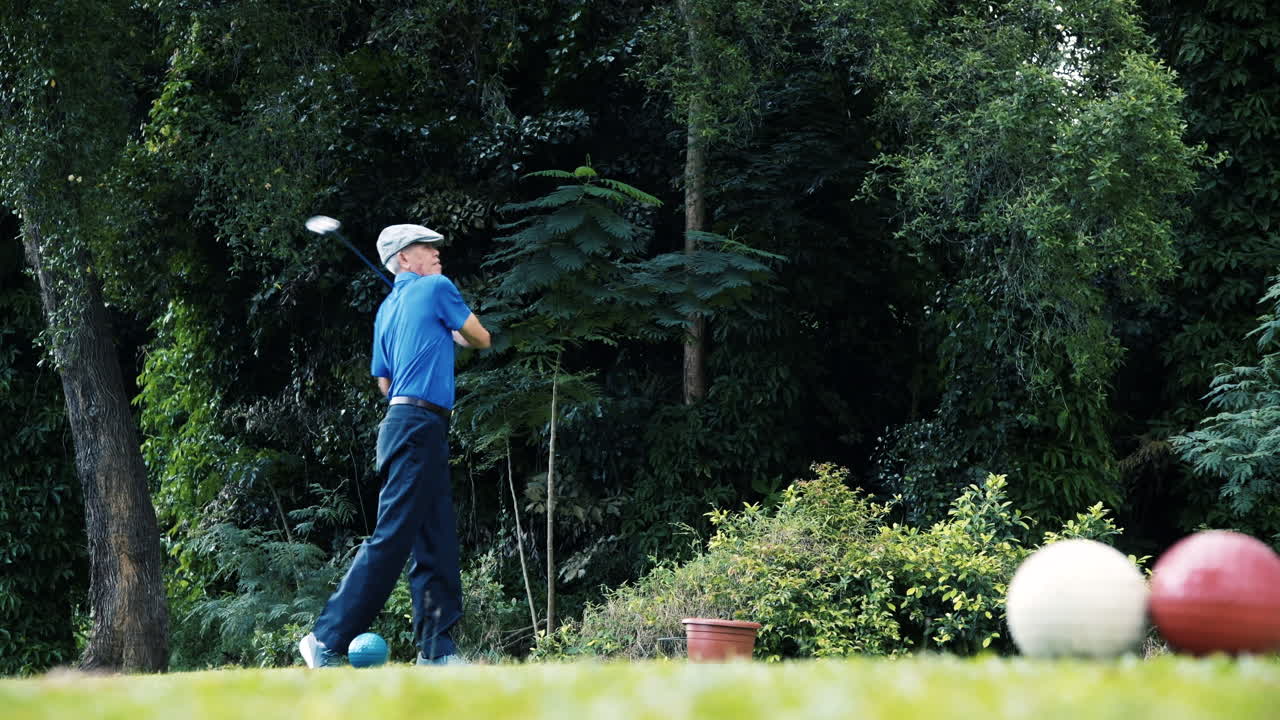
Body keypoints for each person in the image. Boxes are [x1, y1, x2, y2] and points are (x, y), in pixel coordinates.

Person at [299, 223, 491, 668]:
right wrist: (457, 334)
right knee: (393, 536)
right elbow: (482, 337)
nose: (437, 254)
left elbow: (383, 381)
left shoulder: (387, 310)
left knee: (436, 538)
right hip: (418, 425)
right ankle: (325, 637)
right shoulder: (437, 288)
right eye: (427, 248)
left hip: (407, 423)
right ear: (405, 259)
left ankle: (437, 651)